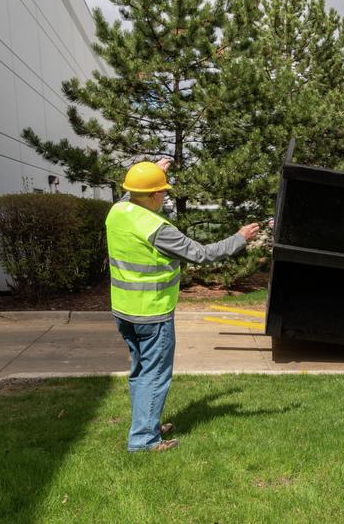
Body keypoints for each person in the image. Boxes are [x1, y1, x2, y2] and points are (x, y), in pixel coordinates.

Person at [107, 160, 259, 452]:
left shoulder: (118, 211)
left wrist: (155, 171)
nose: (164, 196)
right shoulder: (156, 227)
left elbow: (132, 193)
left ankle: (146, 425)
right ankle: (143, 441)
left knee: (140, 372)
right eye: (162, 190)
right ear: (153, 196)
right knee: (155, 376)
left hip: (124, 311)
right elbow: (202, 254)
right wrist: (240, 238)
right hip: (152, 314)